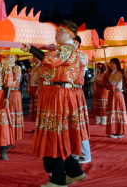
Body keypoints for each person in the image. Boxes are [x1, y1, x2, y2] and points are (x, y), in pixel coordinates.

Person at [25, 20, 87, 187]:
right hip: (54, 93)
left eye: (60, 31)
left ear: (70, 35)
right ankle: (75, 172)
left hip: (58, 95)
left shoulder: (66, 49)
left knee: (54, 134)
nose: (56, 33)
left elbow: (50, 61)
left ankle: (58, 179)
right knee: (58, 134)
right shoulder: (61, 49)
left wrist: (31, 48)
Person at [72, 36, 91, 164]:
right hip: (67, 92)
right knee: (69, 123)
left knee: (79, 123)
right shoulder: (66, 53)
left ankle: (85, 153)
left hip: (76, 92)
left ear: (77, 43)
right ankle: (74, 152)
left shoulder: (82, 55)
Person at [105, 58, 127, 138]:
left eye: (113, 64)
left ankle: (119, 131)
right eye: (110, 63)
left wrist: (107, 76)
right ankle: (113, 130)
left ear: (117, 65)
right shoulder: (112, 73)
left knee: (117, 110)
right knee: (113, 111)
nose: (111, 65)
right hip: (112, 93)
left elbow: (111, 83)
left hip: (117, 94)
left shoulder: (118, 73)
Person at [7, 55, 24, 142]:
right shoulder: (5, 66)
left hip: (13, 92)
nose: (8, 59)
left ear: (16, 58)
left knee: (13, 112)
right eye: (8, 57)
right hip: (5, 93)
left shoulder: (17, 68)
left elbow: (13, 80)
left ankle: (13, 134)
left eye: (11, 57)